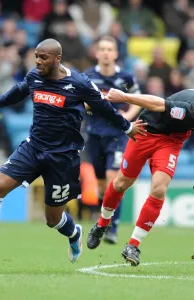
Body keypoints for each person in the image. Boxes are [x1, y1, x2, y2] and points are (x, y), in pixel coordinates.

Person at [0, 39, 145, 270]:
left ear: (57, 59)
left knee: (52, 219)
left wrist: (127, 128)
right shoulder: (34, 76)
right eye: (36, 56)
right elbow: (19, 91)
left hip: (63, 158)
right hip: (32, 148)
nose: (38, 61)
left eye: (43, 57)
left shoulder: (79, 83)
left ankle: (74, 233)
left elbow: (103, 107)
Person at [87, 87, 194, 266]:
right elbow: (158, 103)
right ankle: (101, 224)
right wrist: (124, 97)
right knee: (121, 184)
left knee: (159, 189)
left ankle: (133, 245)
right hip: (145, 131)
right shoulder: (189, 108)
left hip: (172, 141)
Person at [85, 36, 141, 244]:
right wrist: (91, 105)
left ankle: (112, 228)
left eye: (110, 49)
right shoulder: (88, 76)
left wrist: (126, 118)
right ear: (97, 53)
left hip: (117, 136)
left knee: (113, 180)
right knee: (101, 185)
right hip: (94, 134)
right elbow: (80, 102)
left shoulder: (126, 77)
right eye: (102, 49)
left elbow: (137, 100)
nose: (106, 52)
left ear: (116, 53)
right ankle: (104, 220)